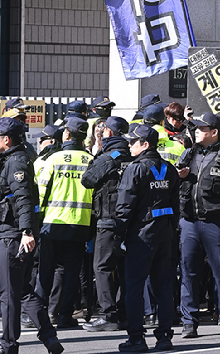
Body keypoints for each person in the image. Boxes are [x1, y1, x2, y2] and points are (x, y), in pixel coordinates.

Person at [177, 112, 220, 338]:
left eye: (201, 128)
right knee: (189, 272)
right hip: (189, 221)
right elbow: (176, 184)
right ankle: (189, 321)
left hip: (216, 222)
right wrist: (180, 176)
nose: (196, 131)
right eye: (195, 127)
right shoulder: (188, 154)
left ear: (214, 132)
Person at [0, 117, 63, 354]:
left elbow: (24, 198)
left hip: (13, 235)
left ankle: (8, 346)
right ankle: (49, 338)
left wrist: (26, 231)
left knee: (9, 294)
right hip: (14, 233)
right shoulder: (12, 158)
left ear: (6, 139)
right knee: (23, 291)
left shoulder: (15, 162)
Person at [115, 123, 179, 352]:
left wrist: (118, 235)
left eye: (133, 142)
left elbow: (125, 205)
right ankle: (164, 337)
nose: (130, 145)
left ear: (145, 144)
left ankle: (136, 338)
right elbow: (175, 204)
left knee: (134, 287)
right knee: (163, 287)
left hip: (141, 237)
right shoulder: (168, 168)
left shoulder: (136, 168)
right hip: (165, 235)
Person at [36, 115, 93, 329]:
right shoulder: (90, 160)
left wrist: (37, 221)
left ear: (66, 134)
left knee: (46, 270)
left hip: (52, 223)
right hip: (80, 224)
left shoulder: (54, 158)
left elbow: (40, 192)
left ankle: (40, 314)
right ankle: (64, 316)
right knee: (71, 273)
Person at [81, 116, 131, 332]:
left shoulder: (108, 157)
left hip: (108, 220)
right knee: (124, 269)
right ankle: (124, 312)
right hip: (130, 221)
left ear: (109, 133)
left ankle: (108, 315)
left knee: (101, 267)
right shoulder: (132, 154)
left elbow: (87, 180)